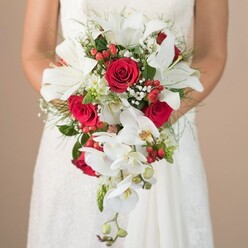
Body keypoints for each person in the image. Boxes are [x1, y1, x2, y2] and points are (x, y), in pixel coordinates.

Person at [22, 0, 228, 247]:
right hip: (83, 138)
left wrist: (154, 117)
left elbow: (212, 54)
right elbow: (34, 52)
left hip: (161, 136)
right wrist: (87, 116)